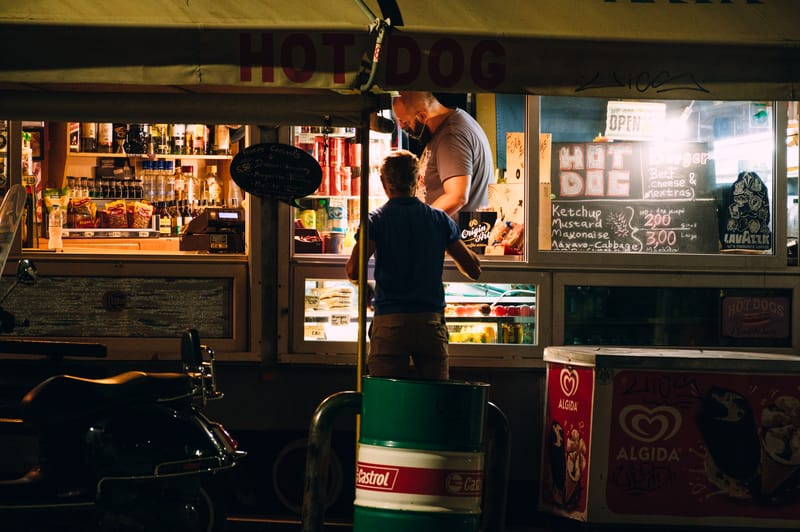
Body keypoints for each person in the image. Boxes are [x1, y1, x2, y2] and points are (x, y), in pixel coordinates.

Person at [346, 150, 481, 380]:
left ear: (383, 182)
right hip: (429, 323)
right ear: (418, 180)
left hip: (390, 323)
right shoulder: (439, 220)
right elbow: (473, 270)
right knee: (434, 402)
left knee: (386, 399)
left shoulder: (376, 220)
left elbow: (353, 269)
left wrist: (365, 287)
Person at [391, 91, 494, 217]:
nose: (401, 127)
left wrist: (419, 222)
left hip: (456, 234)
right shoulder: (448, 126)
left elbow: (457, 197)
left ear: (422, 116)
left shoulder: (451, 137)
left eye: (405, 122)